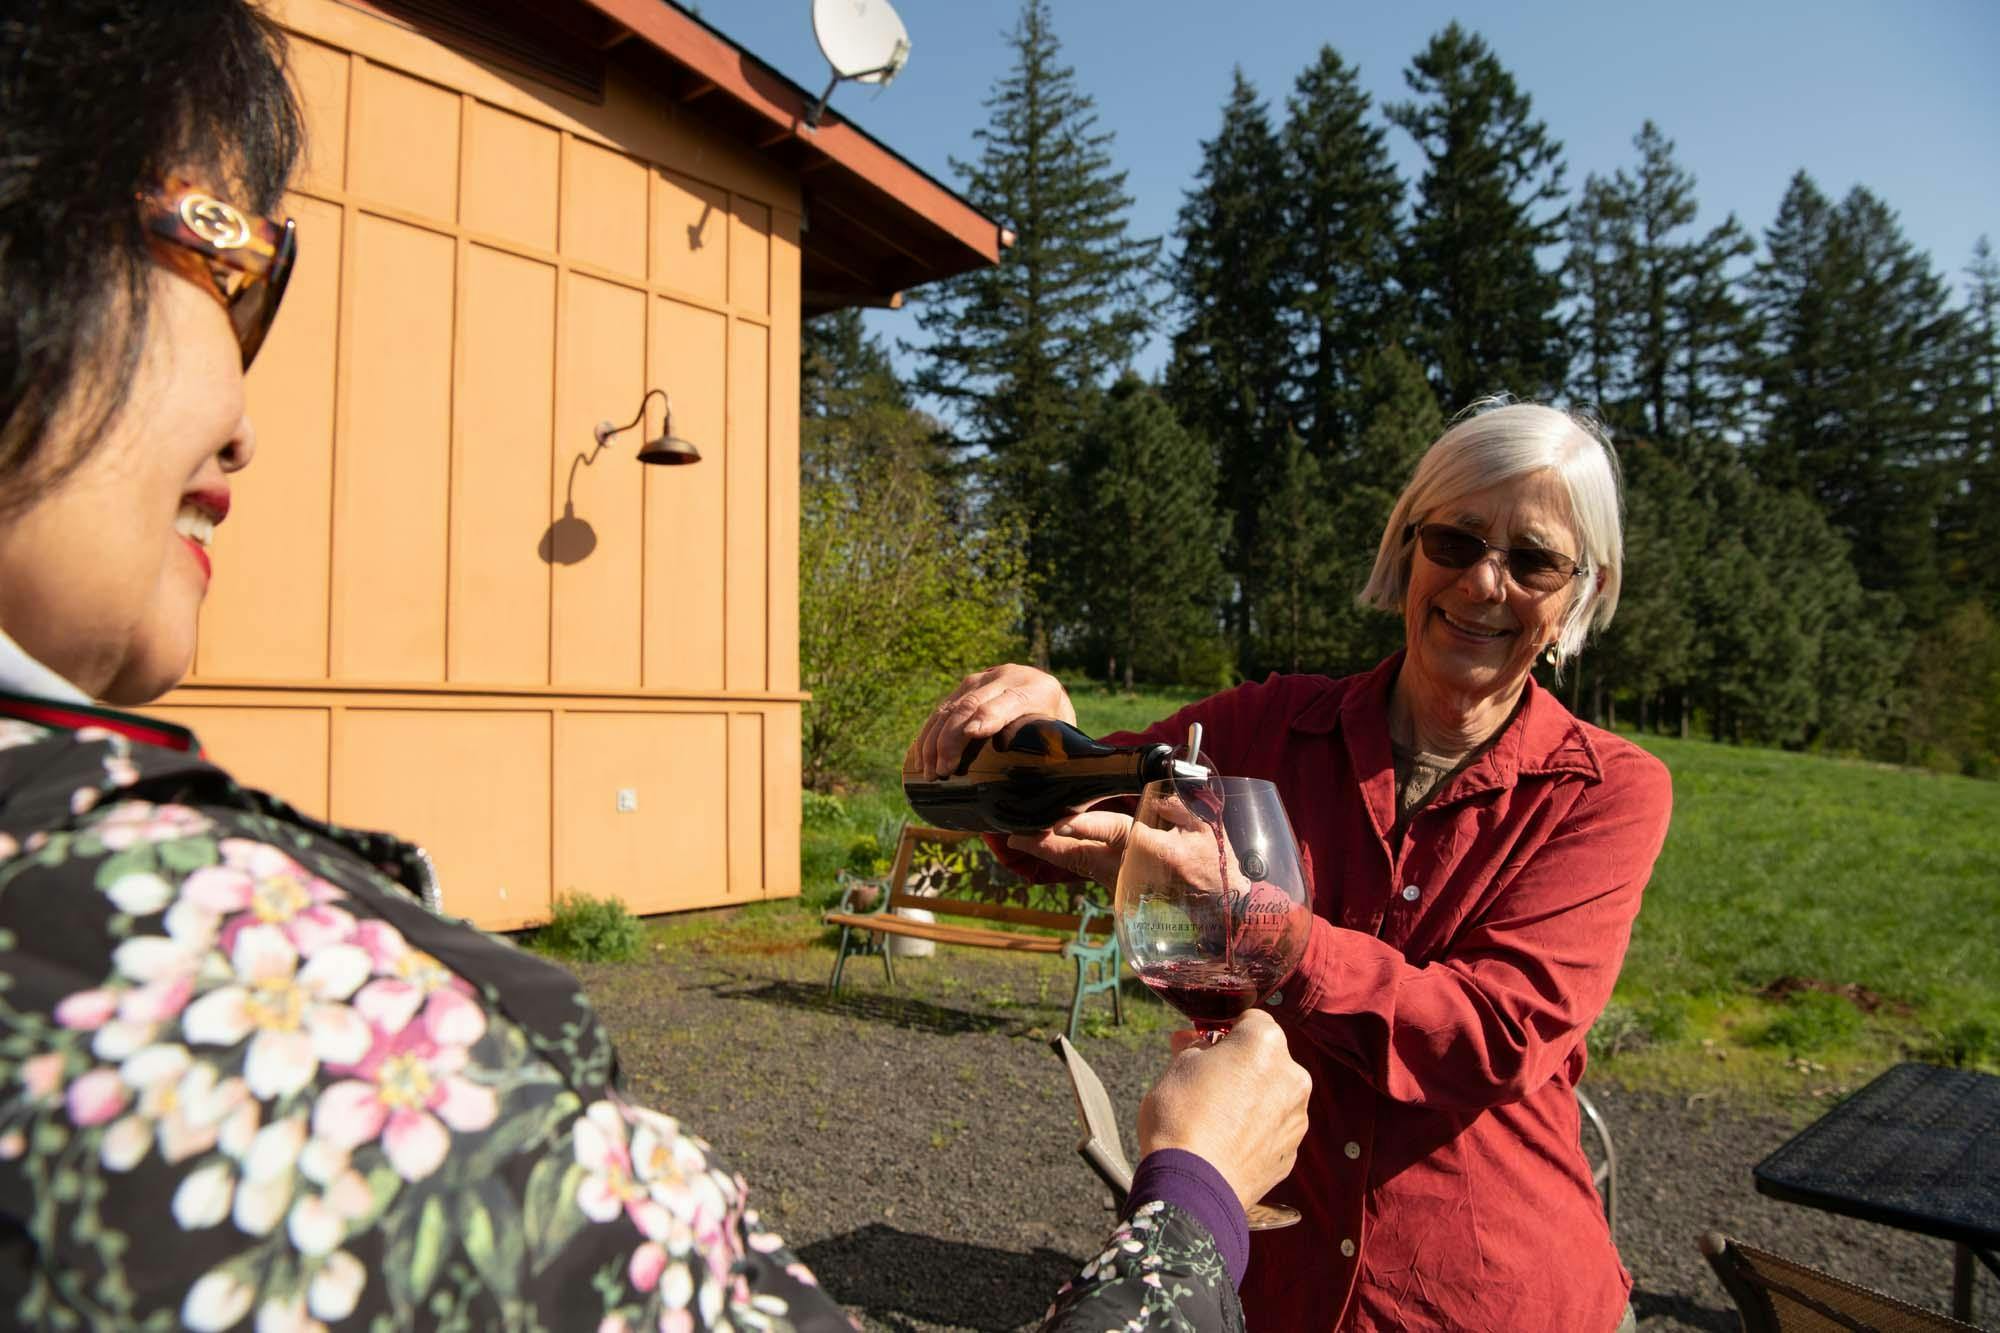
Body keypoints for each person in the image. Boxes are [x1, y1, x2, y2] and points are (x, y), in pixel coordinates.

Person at [0, 3, 1308, 1329]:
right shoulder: (191, 982)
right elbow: (1136, 809)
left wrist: (1161, 842)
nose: (244, 423)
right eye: (236, 265)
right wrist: (1195, 1201)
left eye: (1531, 559)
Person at [912, 401, 1674, 1332]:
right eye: (1457, 538)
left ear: (1582, 592)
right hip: (1279, 1285)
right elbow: (1085, 797)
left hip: (1491, 1294)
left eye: (1534, 559)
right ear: (1408, 548)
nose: (1485, 582)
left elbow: (1492, 1034)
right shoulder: (1270, 727)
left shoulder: (1608, 791)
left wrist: (1260, 928)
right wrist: (1037, 717)